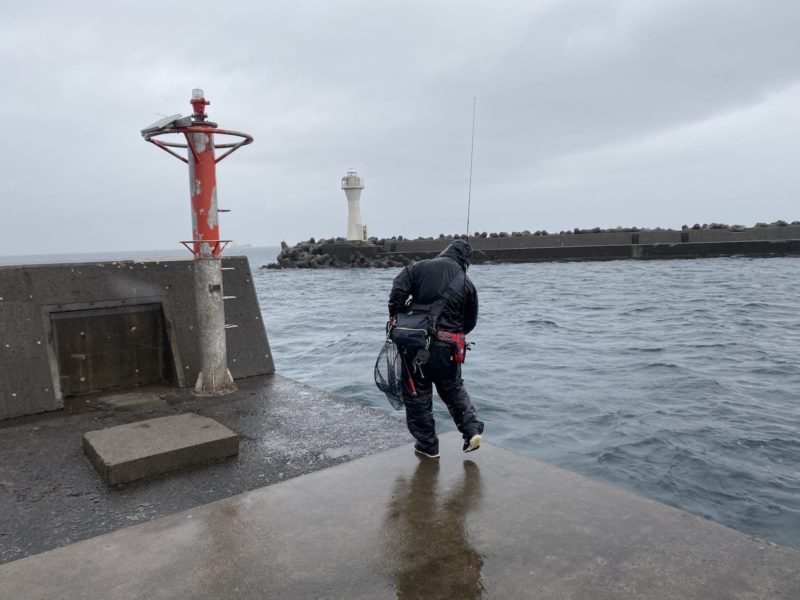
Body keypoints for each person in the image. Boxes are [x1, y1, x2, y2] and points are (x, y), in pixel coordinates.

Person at [388, 239, 484, 458]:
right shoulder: (466, 282)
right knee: (453, 389)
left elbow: (398, 288)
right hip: (448, 349)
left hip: (415, 345)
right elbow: (470, 322)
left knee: (417, 397)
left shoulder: (418, 268)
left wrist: (398, 314)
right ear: (465, 261)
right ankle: (471, 430)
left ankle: (427, 446)